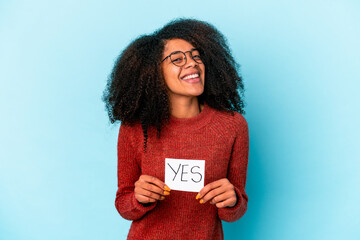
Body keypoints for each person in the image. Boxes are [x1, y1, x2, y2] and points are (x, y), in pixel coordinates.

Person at [102, 18, 249, 240]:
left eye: (196, 56)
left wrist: (233, 200)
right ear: (155, 72)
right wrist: (138, 198)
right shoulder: (134, 128)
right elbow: (124, 204)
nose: (192, 63)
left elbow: (235, 212)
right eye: (177, 59)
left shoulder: (232, 126)